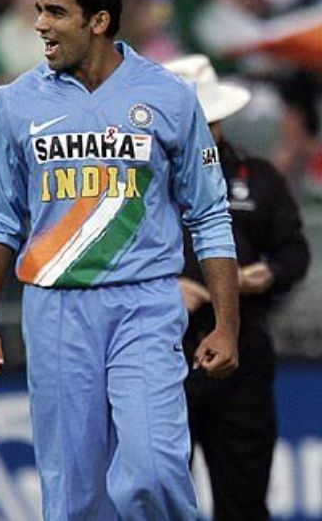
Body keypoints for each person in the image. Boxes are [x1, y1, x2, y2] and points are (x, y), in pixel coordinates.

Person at [0, 0, 240, 521]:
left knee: (155, 472)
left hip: (146, 303)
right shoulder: (16, 104)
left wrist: (227, 325)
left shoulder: (168, 96)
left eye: (56, 12)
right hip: (56, 308)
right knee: (73, 498)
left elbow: (209, 215)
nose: (40, 23)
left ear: (99, 21)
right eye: (39, 9)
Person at [166, 54, 310, 521]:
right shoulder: (140, 186)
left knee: (244, 499)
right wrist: (164, 292)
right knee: (156, 497)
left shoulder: (258, 177)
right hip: (162, 354)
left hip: (242, 351)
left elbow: (293, 252)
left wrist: (267, 273)